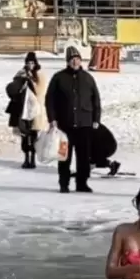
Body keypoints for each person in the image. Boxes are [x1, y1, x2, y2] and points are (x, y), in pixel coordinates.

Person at [45, 46, 102, 193]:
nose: (75, 62)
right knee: (64, 156)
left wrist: (96, 118)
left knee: (83, 157)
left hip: (85, 124)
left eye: (77, 59)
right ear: (67, 61)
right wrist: (52, 119)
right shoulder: (59, 78)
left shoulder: (88, 78)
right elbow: (49, 100)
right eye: (72, 60)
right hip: (65, 125)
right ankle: (64, 183)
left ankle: (82, 183)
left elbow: (96, 99)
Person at [5, 52, 48, 169]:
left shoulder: (40, 75)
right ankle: (26, 158)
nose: (30, 65)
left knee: (33, 135)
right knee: (24, 135)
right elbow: (13, 89)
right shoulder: (21, 73)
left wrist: (31, 80)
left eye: (32, 63)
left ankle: (32, 158)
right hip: (23, 109)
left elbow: (40, 91)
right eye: (28, 63)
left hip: (35, 110)